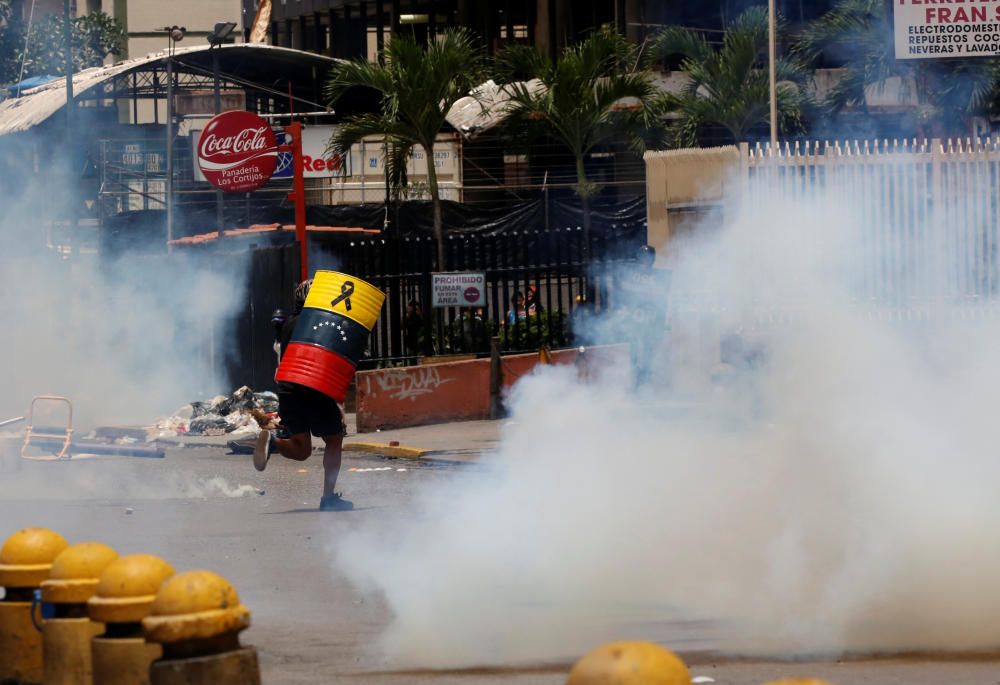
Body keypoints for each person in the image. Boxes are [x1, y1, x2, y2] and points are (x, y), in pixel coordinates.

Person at [254, 279, 352, 512]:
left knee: (302, 449)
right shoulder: (318, 322)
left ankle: (274, 443)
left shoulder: (288, 324)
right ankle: (328, 498)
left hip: (288, 391)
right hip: (313, 387)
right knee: (334, 439)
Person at [619, 244, 670, 389]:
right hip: (635, 320)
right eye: (643, 258)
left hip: (650, 320)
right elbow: (624, 294)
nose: (646, 261)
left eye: (648, 258)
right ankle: (636, 381)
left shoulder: (659, 277)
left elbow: (661, 299)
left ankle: (646, 380)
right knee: (635, 349)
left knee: (648, 349)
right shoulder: (630, 275)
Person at [402, 299, 425, 363]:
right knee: (412, 359)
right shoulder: (407, 316)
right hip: (411, 341)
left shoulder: (420, 315)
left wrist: (419, 313)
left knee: (421, 358)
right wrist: (408, 314)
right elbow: (402, 326)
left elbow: (425, 324)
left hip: (421, 340)